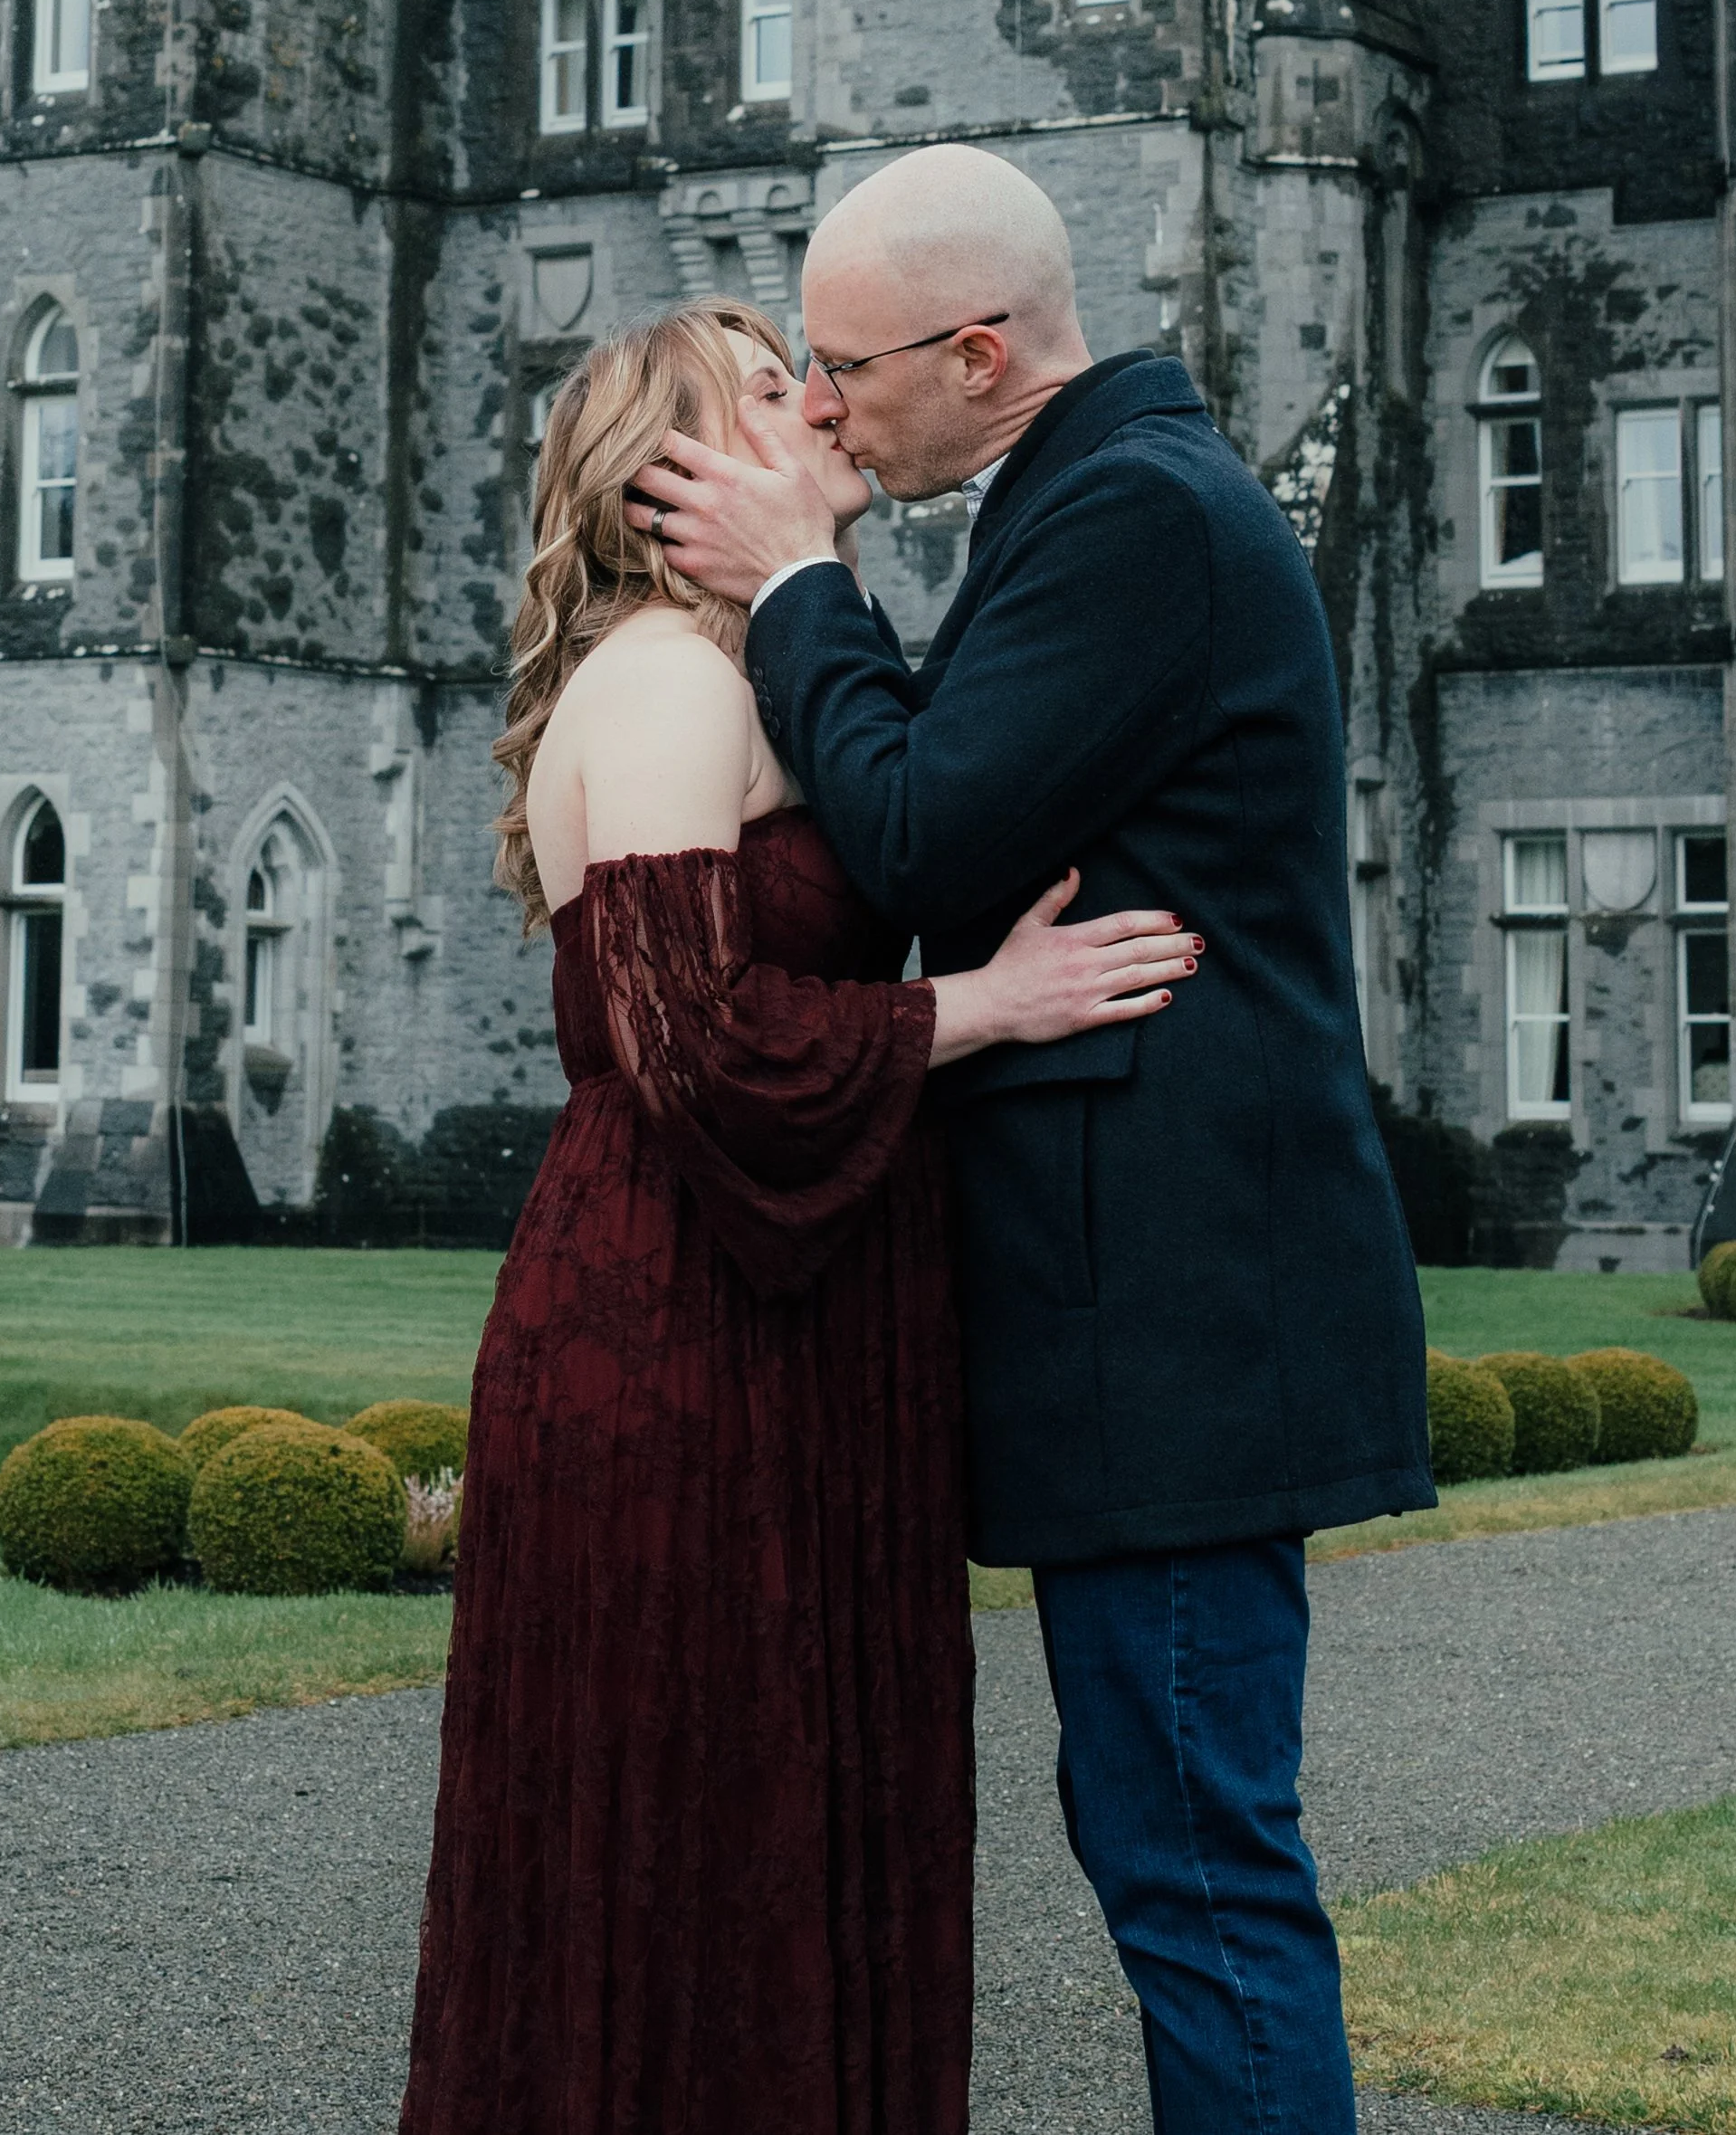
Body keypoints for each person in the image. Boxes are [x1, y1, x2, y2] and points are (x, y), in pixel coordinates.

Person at [629, 153, 1434, 2135]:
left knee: (1196, 1868)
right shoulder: (1086, 494)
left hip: (1166, 1326)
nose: (815, 409)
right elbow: (948, 785)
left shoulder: (1136, 514)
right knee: (1166, 1840)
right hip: (1146, 1317)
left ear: (977, 352)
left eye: (838, 369)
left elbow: (916, 837)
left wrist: (802, 580)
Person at [400, 297, 1197, 2135]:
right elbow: (688, 1040)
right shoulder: (674, 679)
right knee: (699, 1817)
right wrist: (982, 1002)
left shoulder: (754, 662)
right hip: (681, 1318)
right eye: (770, 387)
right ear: (673, 470)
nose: (820, 398)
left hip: (793, 1306)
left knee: (782, 1806)